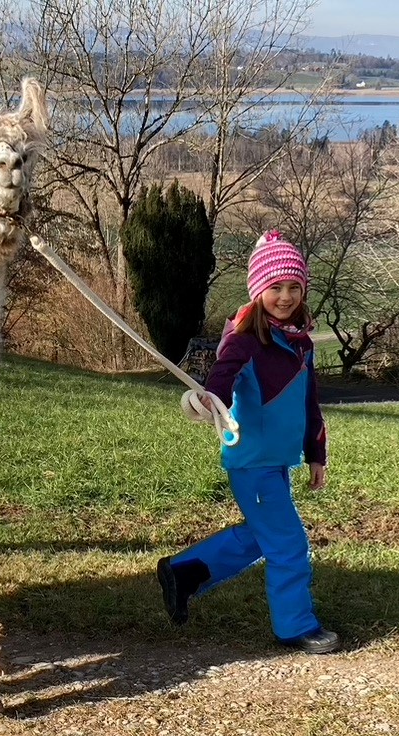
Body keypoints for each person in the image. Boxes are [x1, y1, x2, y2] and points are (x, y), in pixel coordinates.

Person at [157, 230, 339, 654]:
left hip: (277, 461)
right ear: (259, 291)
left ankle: (183, 572)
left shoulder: (300, 344)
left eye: (295, 287)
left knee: (266, 535)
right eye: (276, 287)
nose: (286, 295)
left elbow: (309, 403)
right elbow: (220, 379)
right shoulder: (244, 341)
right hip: (252, 462)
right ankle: (296, 626)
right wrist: (208, 399)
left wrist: (315, 453)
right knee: (289, 543)